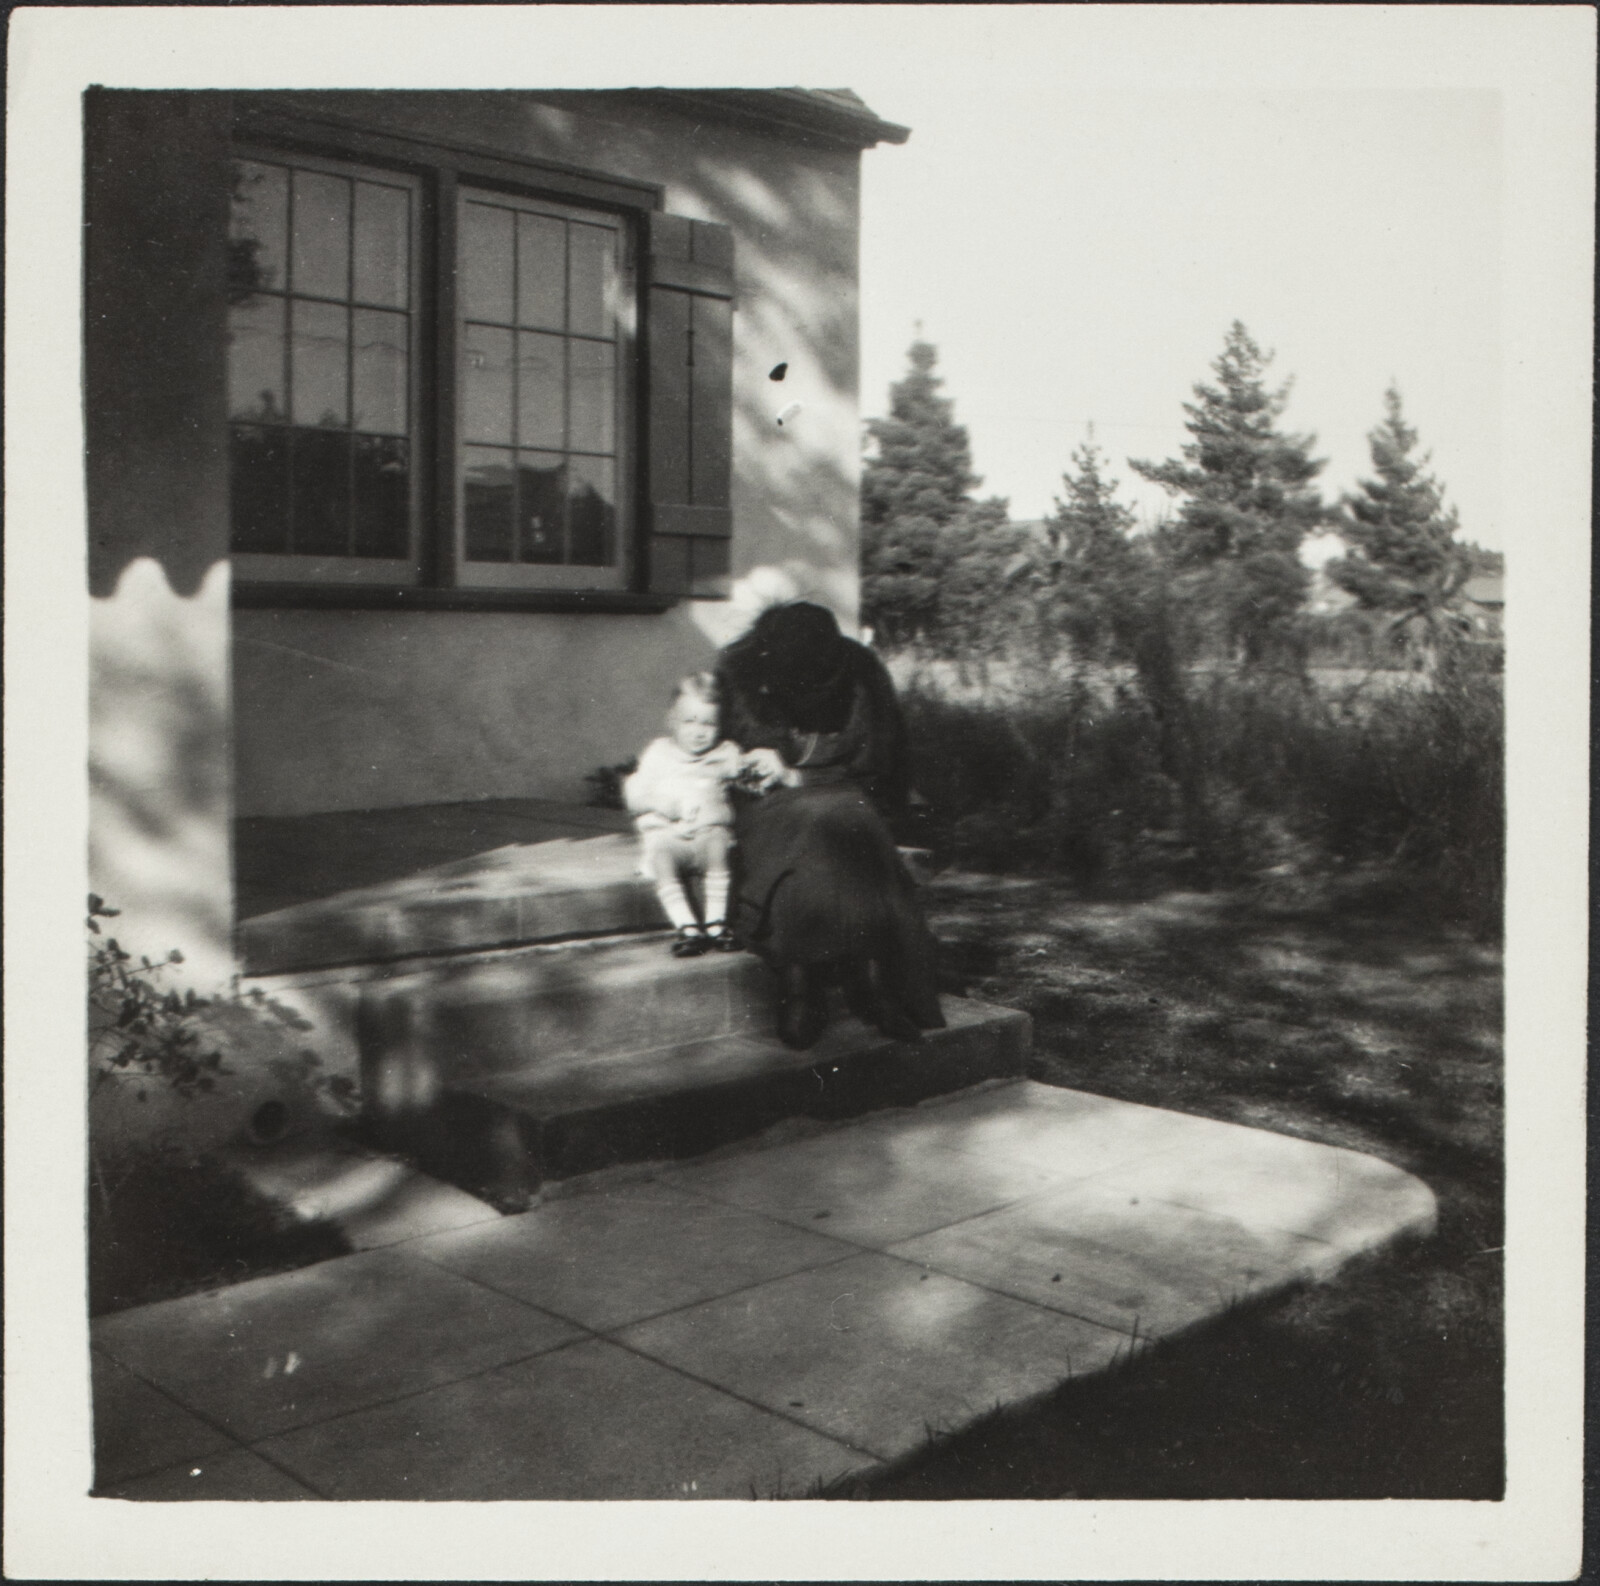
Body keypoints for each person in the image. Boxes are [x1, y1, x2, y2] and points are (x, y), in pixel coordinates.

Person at [715, 601, 946, 1049]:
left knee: (842, 818)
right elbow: (709, 742)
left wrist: (801, 774)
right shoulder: (741, 671)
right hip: (766, 806)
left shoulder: (860, 677)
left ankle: (829, 982)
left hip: (845, 796)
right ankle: (830, 983)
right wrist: (739, 756)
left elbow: (879, 769)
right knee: (820, 823)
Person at [623, 673, 746, 957]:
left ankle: (716, 923)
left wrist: (746, 771)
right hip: (671, 838)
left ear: (720, 725)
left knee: (718, 846)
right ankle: (687, 927)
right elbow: (635, 793)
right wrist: (664, 804)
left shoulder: (725, 753)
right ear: (672, 721)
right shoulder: (659, 754)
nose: (698, 731)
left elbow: (744, 777)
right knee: (661, 857)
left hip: (707, 838)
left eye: (708, 723)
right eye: (689, 721)